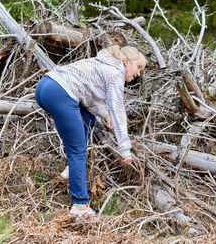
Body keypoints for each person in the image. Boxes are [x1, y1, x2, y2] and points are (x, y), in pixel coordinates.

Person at [35, 45, 146, 217]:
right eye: (138, 67)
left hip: (44, 86)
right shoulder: (115, 72)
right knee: (77, 151)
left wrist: (104, 113)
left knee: (88, 118)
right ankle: (80, 206)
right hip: (59, 92)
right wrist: (125, 149)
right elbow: (118, 111)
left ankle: (71, 170)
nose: (138, 73)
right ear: (126, 61)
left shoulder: (101, 63)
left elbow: (86, 97)